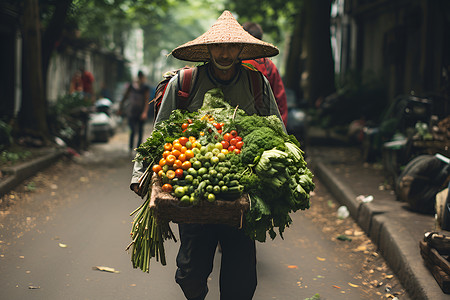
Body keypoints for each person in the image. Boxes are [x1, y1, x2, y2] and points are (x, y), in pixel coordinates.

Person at [130, 11, 283, 300]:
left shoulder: (256, 83)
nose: (224, 53)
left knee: (241, 281)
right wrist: (140, 173)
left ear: (240, 50)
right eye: (218, 46)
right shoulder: (185, 83)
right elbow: (160, 132)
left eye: (231, 47)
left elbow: (277, 132)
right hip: (193, 188)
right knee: (189, 273)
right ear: (208, 49)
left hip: (242, 192)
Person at [242, 22, 288, 126]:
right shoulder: (269, 65)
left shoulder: (234, 63)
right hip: (264, 123)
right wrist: (281, 128)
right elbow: (280, 100)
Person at [119, 70, 151, 153]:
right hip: (132, 112)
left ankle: (138, 149)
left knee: (140, 131)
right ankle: (130, 148)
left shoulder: (145, 88)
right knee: (132, 130)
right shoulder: (131, 86)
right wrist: (120, 108)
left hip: (141, 112)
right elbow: (124, 97)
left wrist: (144, 112)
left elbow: (147, 101)